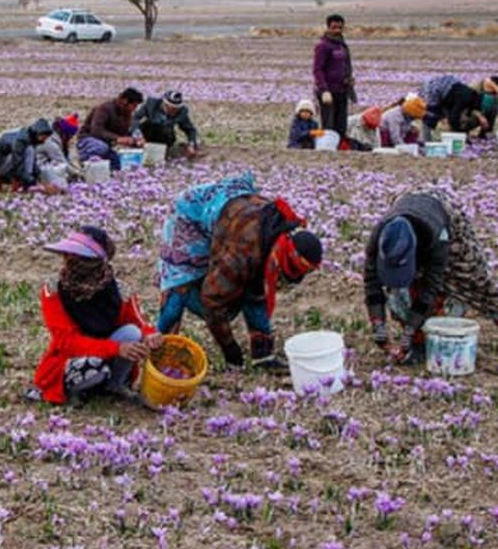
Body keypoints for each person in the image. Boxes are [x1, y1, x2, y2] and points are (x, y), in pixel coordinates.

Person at [364, 185, 498, 366]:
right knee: (411, 286)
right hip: (409, 203)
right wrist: (378, 326)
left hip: (446, 217)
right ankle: (418, 344)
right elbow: (372, 283)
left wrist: (410, 328)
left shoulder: (438, 238)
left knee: (478, 283)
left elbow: (430, 287)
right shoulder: (380, 237)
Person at [156, 172, 323, 370]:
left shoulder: (276, 229)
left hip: (232, 212)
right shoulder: (241, 255)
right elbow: (212, 302)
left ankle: (262, 356)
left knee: (254, 286)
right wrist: (230, 350)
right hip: (191, 215)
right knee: (180, 283)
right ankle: (160, 348)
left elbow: (257, 290)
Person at [32, 227, 163, 405]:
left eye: (81, 258)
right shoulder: (54, 290)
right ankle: (78, 391)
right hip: (73, 358)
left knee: (132, 332)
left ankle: (115, 386)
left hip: (109, 352)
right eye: (69, 256)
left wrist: (150, 336)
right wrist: (116, 349)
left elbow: (138, 323)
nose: (72, 262)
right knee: (93, 367)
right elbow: (66, 341)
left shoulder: (119, 290)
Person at [0, 118, 59, 194]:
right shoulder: (21, 141)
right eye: (44, 137)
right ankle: (9, 183)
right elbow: (18, 163)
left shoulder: (29, 139)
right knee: (23, 160)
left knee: (26, 161)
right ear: (38, 133)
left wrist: (39, 178)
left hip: (0, 161)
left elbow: (33, 164)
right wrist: (34, 182)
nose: (44, 140)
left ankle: (7, 182)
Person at [78, 88, 145, 169]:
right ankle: (83, 163)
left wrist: (135, 141)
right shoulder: (104, 108)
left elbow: (125, 134)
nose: (135, 109)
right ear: (125, 101)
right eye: (134, 105)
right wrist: (117, 139)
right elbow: (96, 131)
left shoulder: (126, 114)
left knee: (117, 165)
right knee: (101, 148)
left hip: (106, 144)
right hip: (88, 140)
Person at [312, 14, 355, 137]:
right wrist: (324, 90)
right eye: (334, 27)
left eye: (340, 28)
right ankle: (327, 149)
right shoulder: (323, 46)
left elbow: (346, 64)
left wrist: (349, 78)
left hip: (342, 90)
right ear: (328, 27)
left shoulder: (342, 45)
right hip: (328, 92)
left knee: (341, 125)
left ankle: (340, 149)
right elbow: (317, 69)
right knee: (329, 125)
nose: (337, 30)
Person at [134, 89, 200, 159]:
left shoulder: (182, 112)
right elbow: (135, 118)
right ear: (164, 103)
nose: (174, 111)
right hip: (147, 132)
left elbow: (190, 129)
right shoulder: (151, 104)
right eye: (171, 108)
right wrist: (138, 135)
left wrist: (191, 144)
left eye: (176, 109)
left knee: (166, 129)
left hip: (165, 137)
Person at [36, 114, 82, 180]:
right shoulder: (50, 142)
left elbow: (67, 158)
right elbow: (62, 162)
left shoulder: (55, 137)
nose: (70, 139)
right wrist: (77, 174)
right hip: (38, 168)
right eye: (70, 136)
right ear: (65, 133)